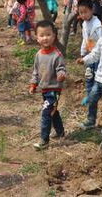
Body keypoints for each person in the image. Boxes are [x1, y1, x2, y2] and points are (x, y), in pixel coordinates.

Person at [29, 20, 67, 150]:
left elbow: (61, 68)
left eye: (48, 34)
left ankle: (44, 140)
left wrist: (61, 75)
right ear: (37, 38)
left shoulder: (57, 55)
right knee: (53, 111)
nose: (45, 38)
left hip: (54, 89)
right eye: (42, 35)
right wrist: (33, 84)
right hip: (44, 89)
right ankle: (60, 131)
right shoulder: (38, 55)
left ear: (54, 36)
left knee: (46, 112)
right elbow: (36, 71)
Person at [78, 0, 102, 106]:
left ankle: (99, 95)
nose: (83, 15)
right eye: (81, 13)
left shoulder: (98, 25)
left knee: (98, 76)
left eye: (85, 12)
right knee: (89, 75)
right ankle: (89, 95)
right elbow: (85, 39)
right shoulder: (84, 24)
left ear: (92, 10)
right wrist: (82, 52)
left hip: (98, 56)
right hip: (89, 55)